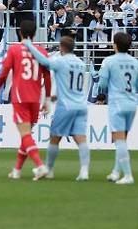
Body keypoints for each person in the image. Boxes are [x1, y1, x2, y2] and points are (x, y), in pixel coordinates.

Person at [23, 36, 90, 181]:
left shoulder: (61, 61)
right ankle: (84, 171)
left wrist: (29, 45)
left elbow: (44, 61)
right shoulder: (81, 63)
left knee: (54, 137)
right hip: (81, 105)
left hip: (66, 106)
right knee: (81, 138)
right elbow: (70, 85)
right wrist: (56, 96)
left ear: (62, 47)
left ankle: (48, 169)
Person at [0, 20, 52, 181]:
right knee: (27, 136)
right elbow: (47, 76)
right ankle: (17, 170)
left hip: (20, 97)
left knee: (25, 135)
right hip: (35, 98)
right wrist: (47, 98)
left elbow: (4, 72)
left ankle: (40, 166)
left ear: (20, 32)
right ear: (35, 33)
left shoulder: (14, 50)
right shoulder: (41, 51)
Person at [97, 32, 138, 185]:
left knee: (119, 139)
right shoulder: (135, 62)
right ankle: (116, 172)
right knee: (122, 139)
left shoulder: (109, 61)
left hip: (117, 104)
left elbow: (102, 84)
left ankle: (128, 175)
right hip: (132, 103)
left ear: (115, 45)